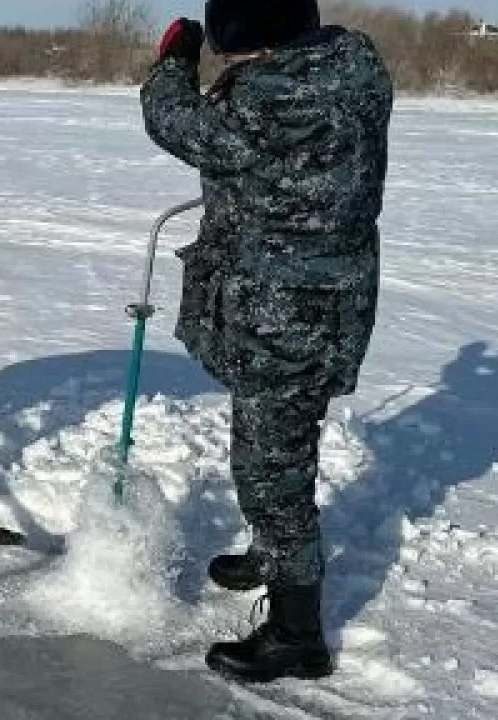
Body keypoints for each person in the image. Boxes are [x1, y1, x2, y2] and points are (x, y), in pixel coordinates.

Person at [140, 0, 393, 683]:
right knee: (277, 438)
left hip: (286, 309)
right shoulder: (356, 67)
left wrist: (172, 62)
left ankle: (295, 635)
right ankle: (269, 552)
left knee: (270, 469)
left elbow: (177, 122)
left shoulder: (270, 96)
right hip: (329, 298)